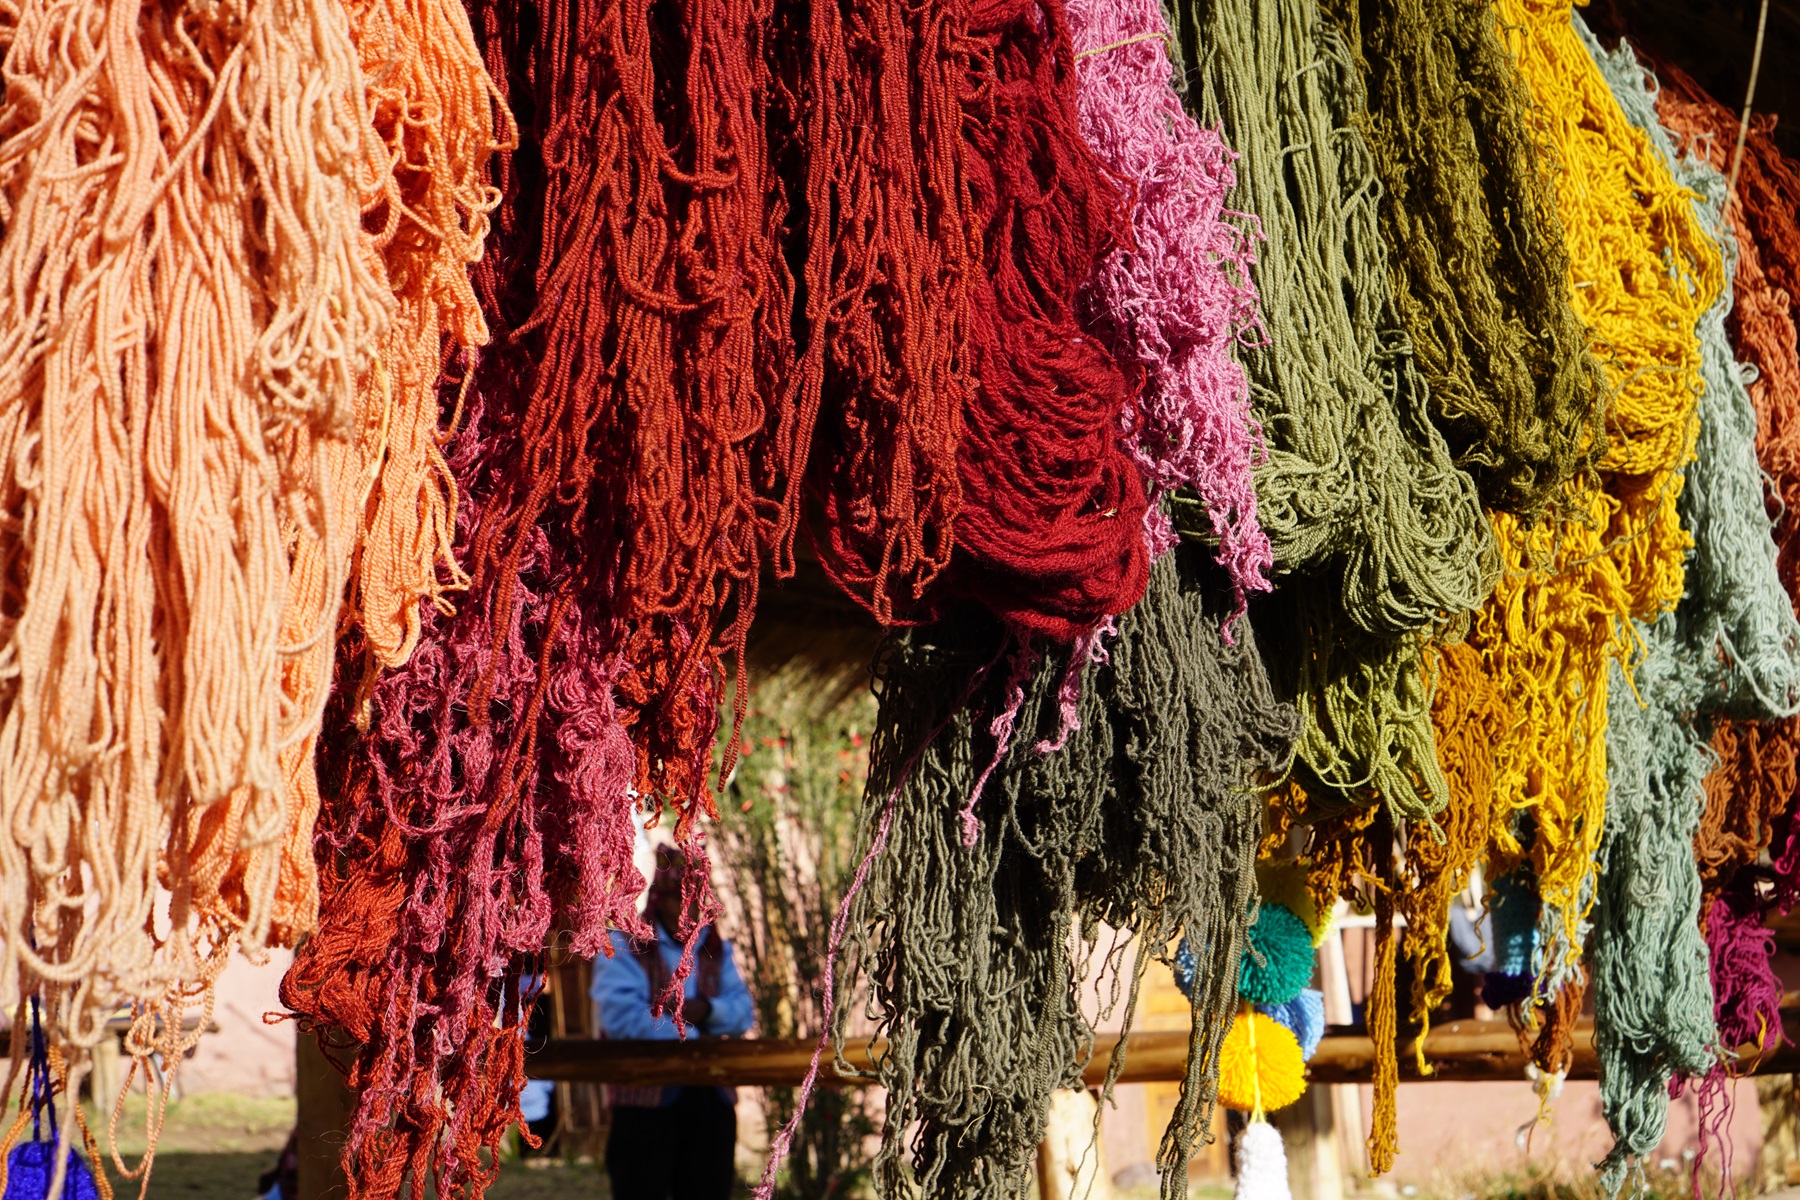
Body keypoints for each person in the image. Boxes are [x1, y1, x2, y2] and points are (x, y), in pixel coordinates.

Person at [592, 846, 754, 1200]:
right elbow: (621, 1019)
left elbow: (743, 1013)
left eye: (699, 900)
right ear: (662, 900)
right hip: (644, 1104)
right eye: (683, 899)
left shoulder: (716, 950)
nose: (692, 909)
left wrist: (707, 1011)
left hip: (710, 1102)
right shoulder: (624, 947)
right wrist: (694, 1038)